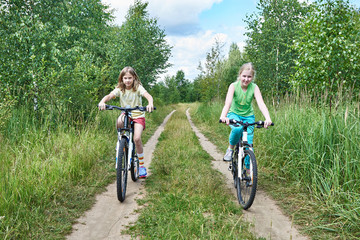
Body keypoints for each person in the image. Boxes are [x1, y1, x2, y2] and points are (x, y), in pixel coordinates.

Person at [98, 66, 154, 178]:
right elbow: (109, 96)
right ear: (121, 79)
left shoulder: (138, 87)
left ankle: (142, 166)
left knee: (137, 138)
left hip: (138, 115)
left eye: (129, 78)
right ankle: (121, 142)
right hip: (126, 114)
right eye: (125, 78)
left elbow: (148, 96)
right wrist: (102, 101)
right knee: (119, 121)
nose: (127, 80)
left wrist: (150, 103)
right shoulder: (120, 89)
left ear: (134, 78)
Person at [219, 62, 272, 162]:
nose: (246, 79)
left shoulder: (254, 87)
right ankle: (230, 149)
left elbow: (261, 103)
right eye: (244, 76)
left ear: (252, 77)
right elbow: (228, 103)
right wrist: (223, 116)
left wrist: (268, 118)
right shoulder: (233, 86)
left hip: (249, 117)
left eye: (249, 77)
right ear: (240, 75)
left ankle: (249, 171)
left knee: (249, 145)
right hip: (234, 114)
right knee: (237, 129)